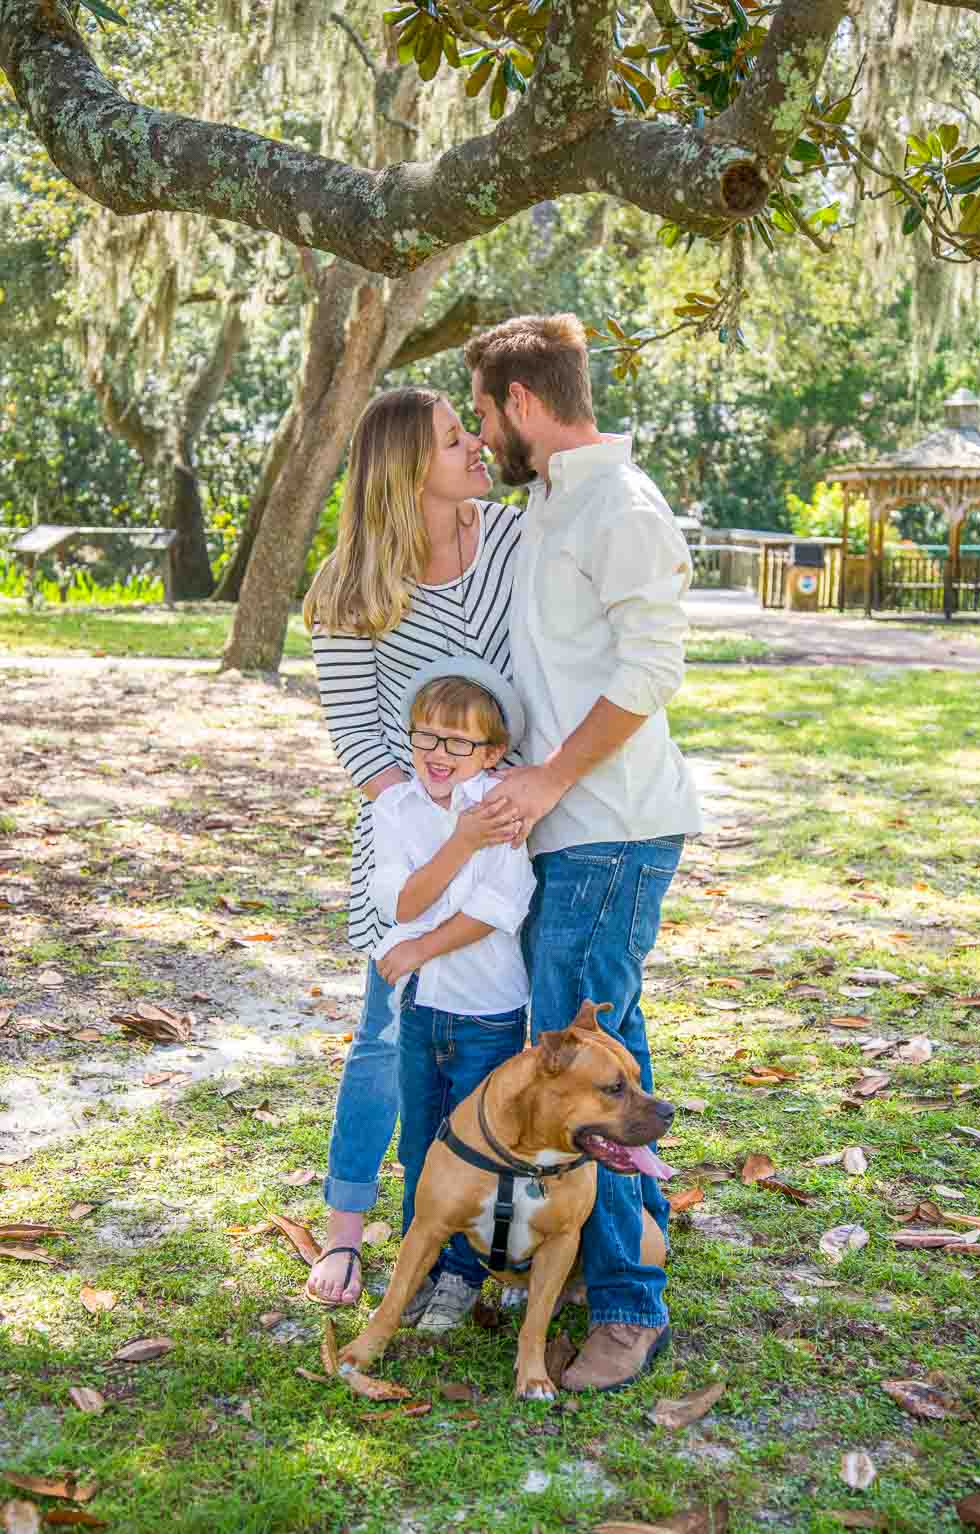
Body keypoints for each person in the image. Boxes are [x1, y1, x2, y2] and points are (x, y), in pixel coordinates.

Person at [464, 313, 703, 1391]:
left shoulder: (623, 506)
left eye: (482, 410)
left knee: (586, 1087)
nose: (482, 432)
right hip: (571, 832)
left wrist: (552, 777)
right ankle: (619, 1251)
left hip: (610, 832)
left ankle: (626, 1310)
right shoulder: (552, 501)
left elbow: (651, 670)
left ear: (520, 401)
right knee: (608, 1064)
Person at [303, 386, 524, 1312]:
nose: (475, 444)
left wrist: (499, 808)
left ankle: (485, 1241)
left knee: (497, 1039)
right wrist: (432, 832)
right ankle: (348, 1236)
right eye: (450, 438)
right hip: (409, 843)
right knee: (386, 1042)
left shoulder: (514, 539)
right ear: (406, 470)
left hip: (517, 824)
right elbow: (359, 737)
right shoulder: (352, 583)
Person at [370, 662, 535, 1331]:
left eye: (458, 742)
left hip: (487, 1011)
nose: (438, 754)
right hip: (421, 1010)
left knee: (479, 1150)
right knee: (419, 1147)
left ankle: (465, 1277)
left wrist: (417, 947)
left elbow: (497, 911)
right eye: (426, 737)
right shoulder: (395, 806)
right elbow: (405, 897)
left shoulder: (503, 806)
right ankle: (419, 1267)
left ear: (492, 753)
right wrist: (462, 840)